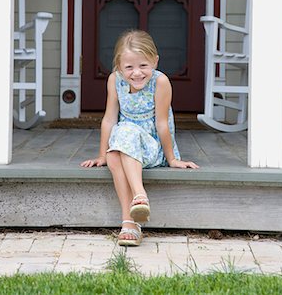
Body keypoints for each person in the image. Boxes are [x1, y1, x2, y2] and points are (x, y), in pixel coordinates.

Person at [81, 29, 199, 246]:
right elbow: (109, 119)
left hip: (152, 147)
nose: (137, 73)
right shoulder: (114, 80)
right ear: (118, 66)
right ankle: (131, 223)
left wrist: (172, 158)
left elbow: (163, 123)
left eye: (143, 65)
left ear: (154, 62)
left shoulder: (160, 82)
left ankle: (138, 197)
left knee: (125, 134)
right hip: (123, 145)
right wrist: (101, 155)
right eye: (129, 67)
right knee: (115, 153)